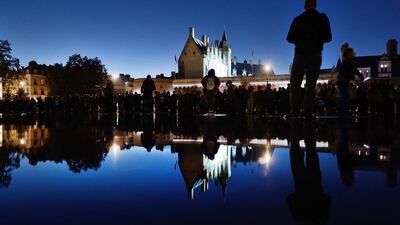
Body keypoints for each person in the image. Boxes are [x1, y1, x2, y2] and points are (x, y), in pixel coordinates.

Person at [287, 0, 332, 119]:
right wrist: (316, 40)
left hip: (300, 54)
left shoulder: (298, 19)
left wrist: (301, 41)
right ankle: (307, 112)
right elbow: (328, 37)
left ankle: (294, 111)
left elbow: (289, 38)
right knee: (311, 85)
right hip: (315, 54)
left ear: (305, 6)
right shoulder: (322, 18)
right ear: (315, 5)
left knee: (295, 83)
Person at [337, 47, 364, 119]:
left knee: (345, 96)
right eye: (352, 52)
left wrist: (359, 75)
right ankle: (342, 113)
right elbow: (351, 70)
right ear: (349, 54)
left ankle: (343, 112)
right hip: (342, 81)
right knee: (344, 96)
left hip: (343, 81)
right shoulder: (347, 61)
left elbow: (353, 69)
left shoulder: (348, 61)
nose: (354, 53)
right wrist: (358, 76)